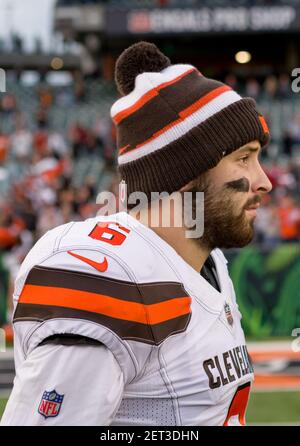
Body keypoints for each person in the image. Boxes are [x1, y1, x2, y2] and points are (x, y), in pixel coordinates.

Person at [1, 42, 272, 426]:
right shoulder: (110, 279)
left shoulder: (208, 263)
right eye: (244, 158)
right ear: (183, 174)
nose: (264, 181)